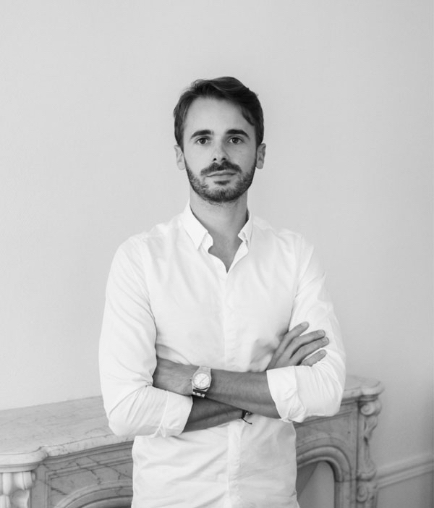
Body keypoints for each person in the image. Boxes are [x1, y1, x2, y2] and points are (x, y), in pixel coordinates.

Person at [99, 76, 346, 508]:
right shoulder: (139, 259)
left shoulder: (294, 255)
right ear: (180, 155)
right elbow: (126, 410)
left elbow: (325, 390)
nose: (219, 154)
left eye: (235, 138)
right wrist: (269, 384)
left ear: (260, 153)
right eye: (202, 139)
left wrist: (195, 379)